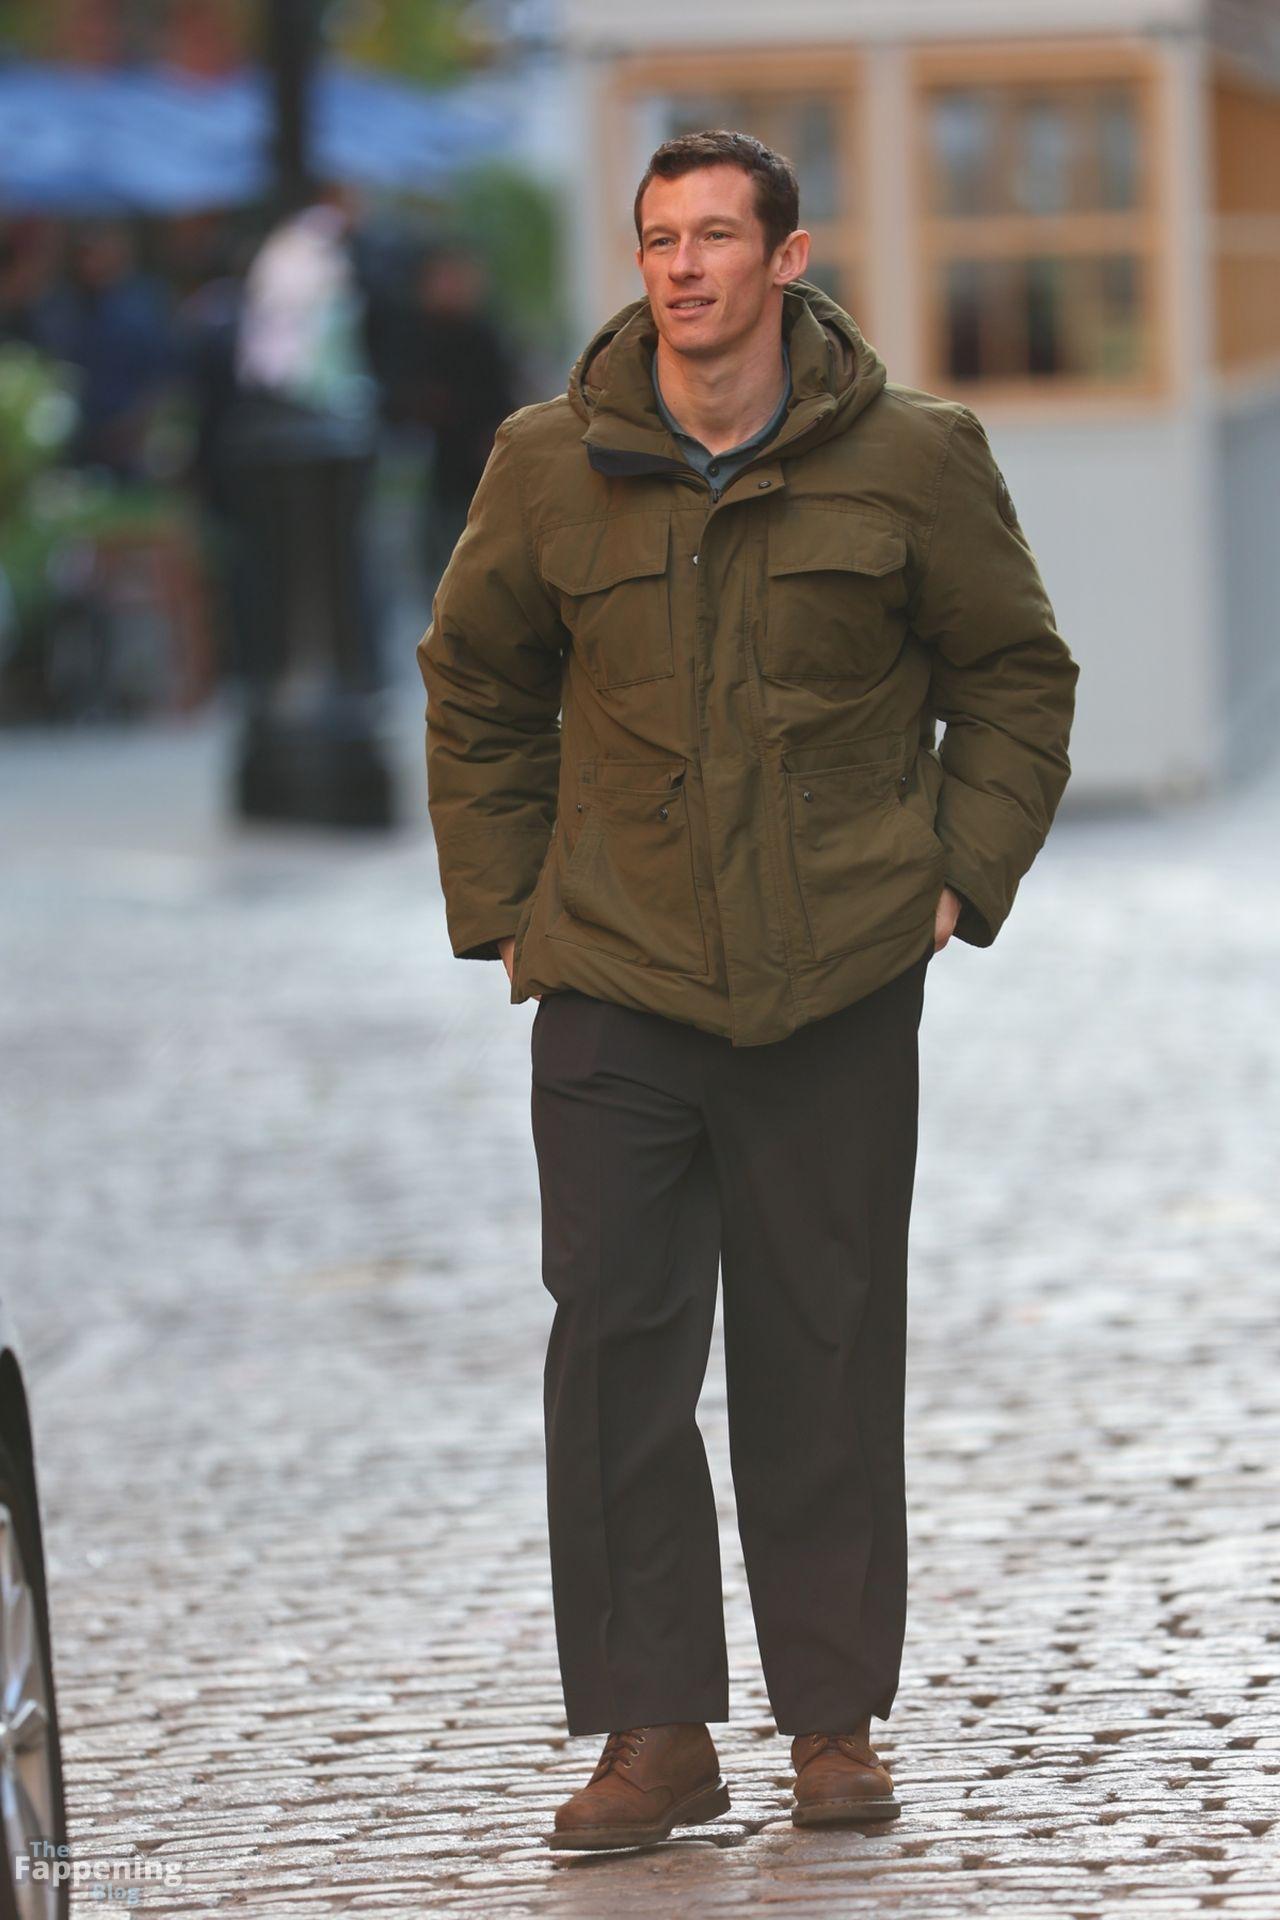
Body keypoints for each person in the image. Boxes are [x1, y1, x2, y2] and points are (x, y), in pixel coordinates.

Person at [418, 129, 1078, 1850]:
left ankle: (833, 1724)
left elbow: (1017, 674)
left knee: (823, 1347)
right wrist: (509, 912)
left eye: (718, 236)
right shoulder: (549, 463)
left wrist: (957, 875)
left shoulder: (915, 459)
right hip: (613, 975)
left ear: (789, 259)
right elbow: (476, 685)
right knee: (615, 1355)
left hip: (836, 972)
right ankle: (654, 1734)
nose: (686, 266)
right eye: (661, 240)